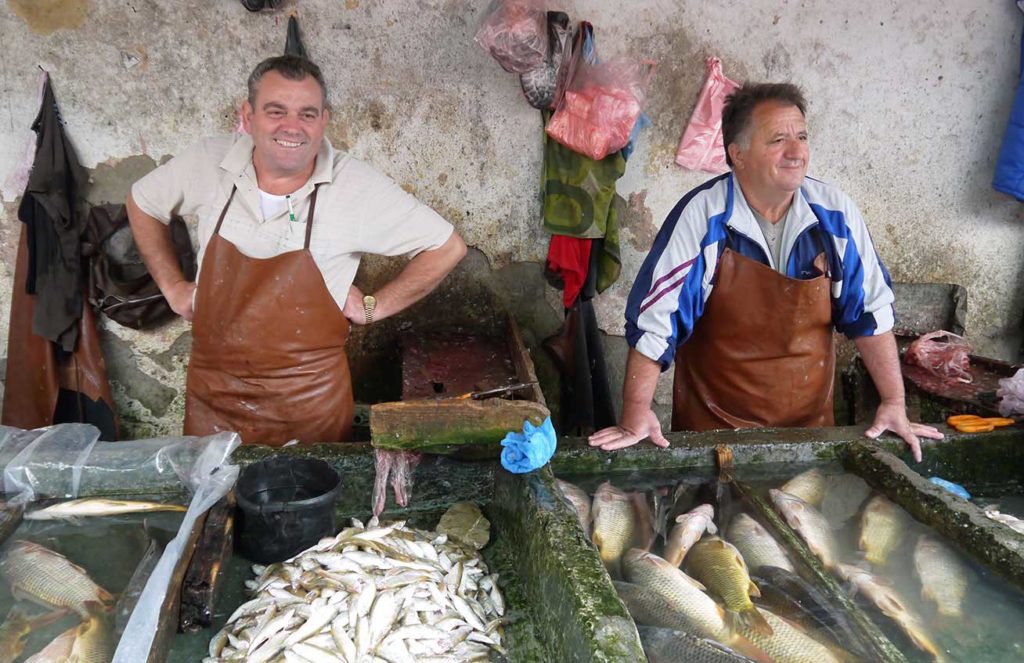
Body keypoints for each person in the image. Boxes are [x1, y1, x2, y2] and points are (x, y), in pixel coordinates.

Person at [589, 83, 942, 461]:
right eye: (777, 140)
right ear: (737, 154)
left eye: (802, 137)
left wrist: (893, 402)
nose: (796, 152)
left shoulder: (834, 214)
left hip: (810, 437)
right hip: (713, 436)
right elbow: (656, 321)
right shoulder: (704, 217)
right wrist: (636, 413)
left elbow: (871, 313)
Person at [127, 55, 466, 445]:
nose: (292, 127)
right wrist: (172, 286)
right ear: (248, 115)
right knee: (214, 501)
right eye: (276, 111)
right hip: (213, 399)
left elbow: (446, 247)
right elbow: (142, 203)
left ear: (324, 120)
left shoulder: (354, 186)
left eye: (307, 114)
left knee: (306, 503)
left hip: (308, 409)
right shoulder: (208, 161)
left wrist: (373, 307)